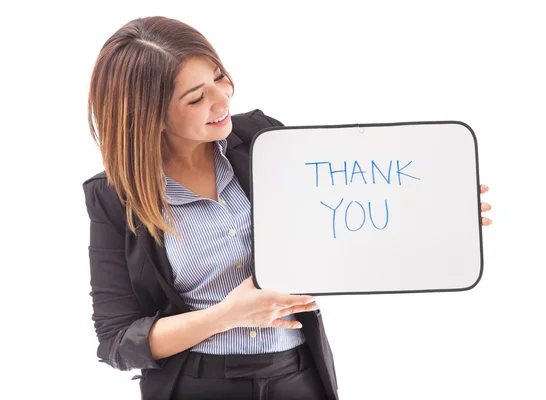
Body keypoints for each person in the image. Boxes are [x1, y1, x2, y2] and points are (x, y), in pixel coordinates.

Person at [82, 16, 493, 400]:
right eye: (195, 98)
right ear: (148, 116)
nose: (221, 98)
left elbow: (342, 220)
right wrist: (227, 316)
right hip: (196, 383)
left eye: (219, 76)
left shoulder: (262, 139)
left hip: (298, 373)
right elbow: (118, 342)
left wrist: (432, 212)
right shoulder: (114, 197)